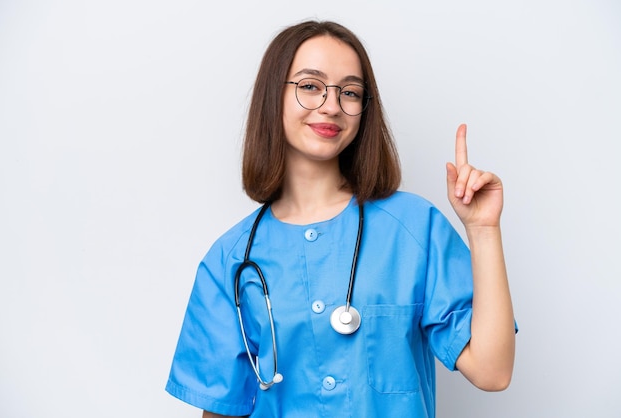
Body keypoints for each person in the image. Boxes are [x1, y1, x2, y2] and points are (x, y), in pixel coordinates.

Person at [165, 20, 516, 418]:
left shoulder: (414, 228)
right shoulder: (229, 260)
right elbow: (222, 409)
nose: (332, 105)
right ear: (272, 96)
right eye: (310, 86)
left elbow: (492, 371)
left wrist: (483, 229)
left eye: (349, 92)